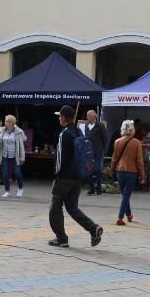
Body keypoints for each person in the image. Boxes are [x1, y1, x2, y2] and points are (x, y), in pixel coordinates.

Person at [47, 105, 103, 248]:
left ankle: (61, 238)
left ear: (64, 118)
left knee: (55, 207)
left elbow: (60, 157)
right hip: (78, 175)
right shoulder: (79, 131)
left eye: (60, 116)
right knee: (72, 207)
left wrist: (56, 173)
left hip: (64, 177)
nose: (59, 118)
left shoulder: (64, 133)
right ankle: (93, 228)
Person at [111, 120, 145, 226]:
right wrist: (142, 175)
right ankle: (120, 218)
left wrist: (112, 170)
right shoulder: (137, 143)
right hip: (131, 172)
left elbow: (114, 158)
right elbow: (139, 161)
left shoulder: (117, 142)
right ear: (132, 130)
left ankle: (129, 215)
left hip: (119, 171)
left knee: (125, 195)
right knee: (126, 195)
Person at [0, 114, 25, 197]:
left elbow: (21, 145)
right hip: (5, 155)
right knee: (5, 173)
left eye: (6, 121)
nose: (4, 123)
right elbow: (0, 140)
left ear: (11, 123)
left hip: (15, 155)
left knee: (17, 173)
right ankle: (7, 191)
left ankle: (20, 188)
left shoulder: (18, 132)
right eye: (5, 121)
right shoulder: (2, 130)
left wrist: (22, 157)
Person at [83, 110, 107, 196]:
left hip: (98, 150)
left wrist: (103, 148)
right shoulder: (86, 125)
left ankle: (99, 189)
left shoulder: (100, 125)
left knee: (97, 169)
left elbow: (104, 138)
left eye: (88, 115)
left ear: (94, 116)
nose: (87, 117)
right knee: (89, 169)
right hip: (89, 150)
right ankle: (91, 188)